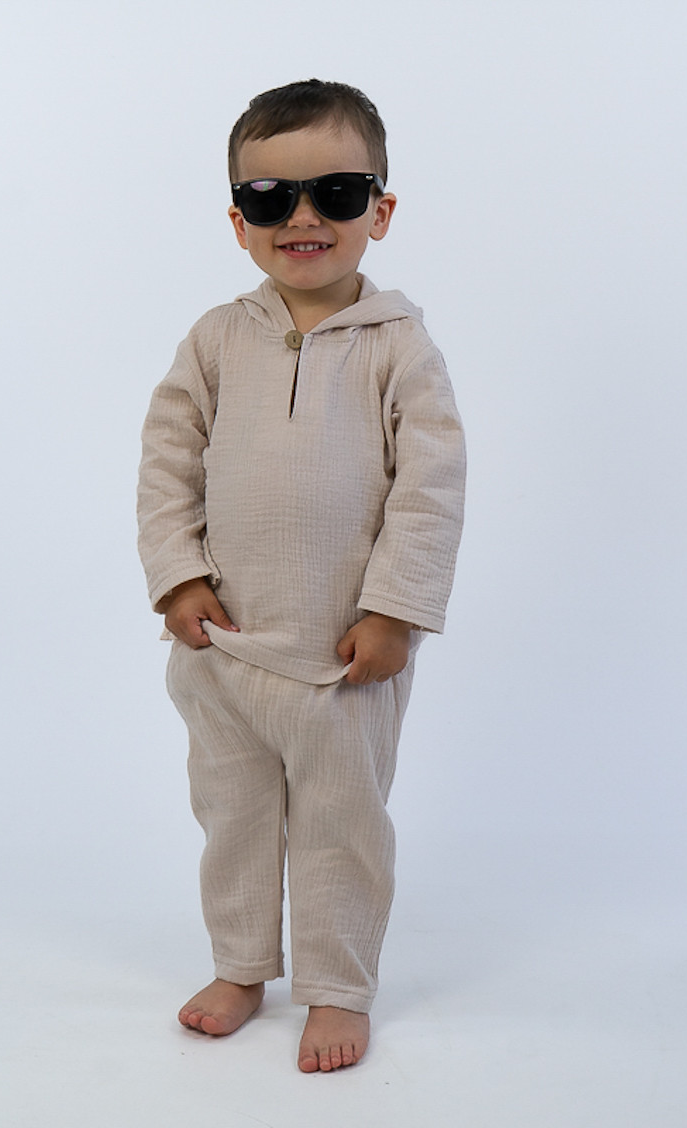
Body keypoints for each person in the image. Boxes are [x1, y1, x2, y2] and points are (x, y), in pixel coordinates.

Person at [137, 78, 466, 1072]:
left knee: (340, 827)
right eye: (271, 198)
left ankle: (337, 986)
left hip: (341, 660)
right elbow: (166, 461)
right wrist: (178, 578)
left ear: (380, 210)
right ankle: (241, 967)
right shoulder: (214, 339)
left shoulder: (400, 348)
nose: (304, 217)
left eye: (335, 192)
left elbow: (430, 487)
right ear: (240, 221)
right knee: (231, 820)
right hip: (224, 648)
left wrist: (394, 611)